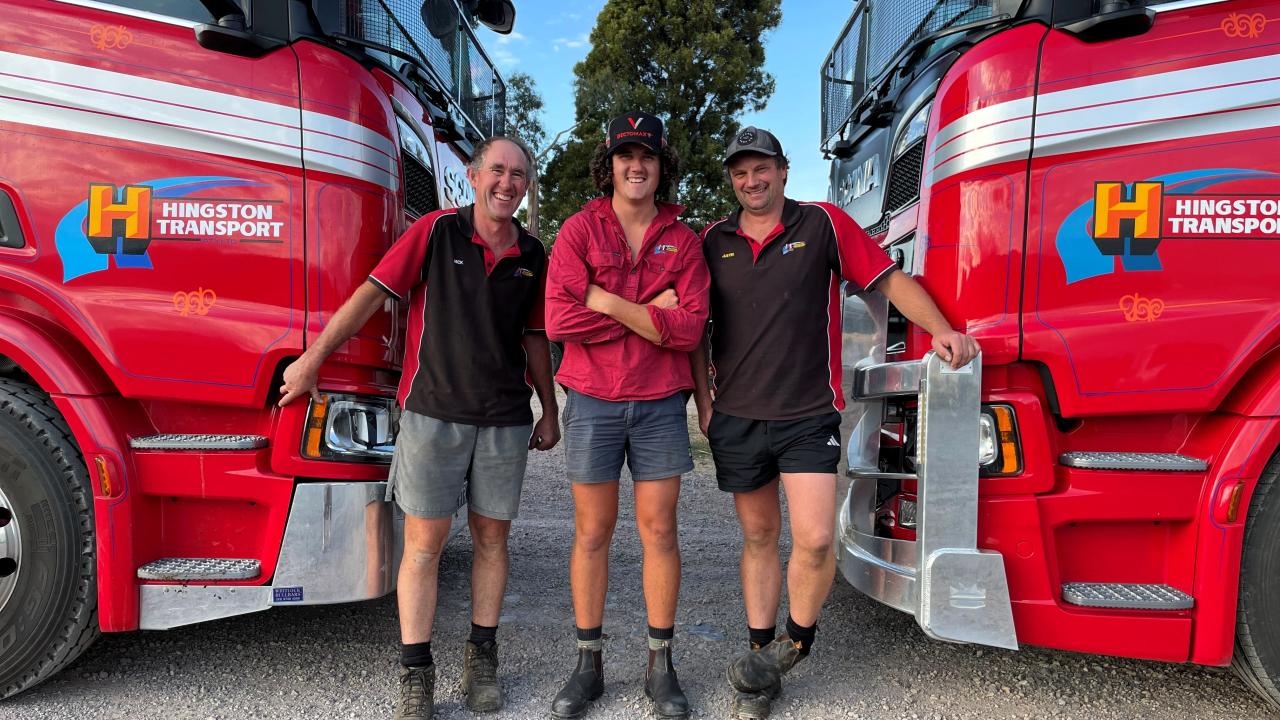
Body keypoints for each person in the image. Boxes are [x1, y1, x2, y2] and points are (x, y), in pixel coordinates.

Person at [695, 127, 980, 720]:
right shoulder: (711, 240)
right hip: (738, 416)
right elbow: (694, 329)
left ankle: (795, 644)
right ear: (731, 179)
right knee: (758, 538)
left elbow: (889, 280)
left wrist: (945, 328)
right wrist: (704, 400)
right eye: (741, 172)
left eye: (762, 168)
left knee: (817, 538)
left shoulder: (821, 223)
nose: (752, 181)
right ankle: (759, 665)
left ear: (783, 169)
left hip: (806, 415)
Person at [278, 136, 560, 720]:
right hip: (432, 416)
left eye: (519, 174)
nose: (508, 183)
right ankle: (416, 671)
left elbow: (535, 337)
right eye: (498, 171)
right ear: (475, 175)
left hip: (505, 421)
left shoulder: (534, 253)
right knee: (424, 548)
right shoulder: (435, 231)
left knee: (491, 543)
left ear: (527, 184)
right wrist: (312, 362)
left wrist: (549, 408)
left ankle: (482, 656)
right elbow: (370, 295)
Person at [544, 111, 709, 720]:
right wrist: (645, 308)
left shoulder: (684, 241)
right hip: (591, 401)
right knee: (592, 532)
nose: (635, 166)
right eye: (625, 155)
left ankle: (660, 665)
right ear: (608, 163)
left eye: (647, 156)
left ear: (663, 166)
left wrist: (602, 299)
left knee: (660, 531)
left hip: (661, 403)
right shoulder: (578, 232)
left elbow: (689, 330)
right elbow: (560, 321)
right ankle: (588, 665)